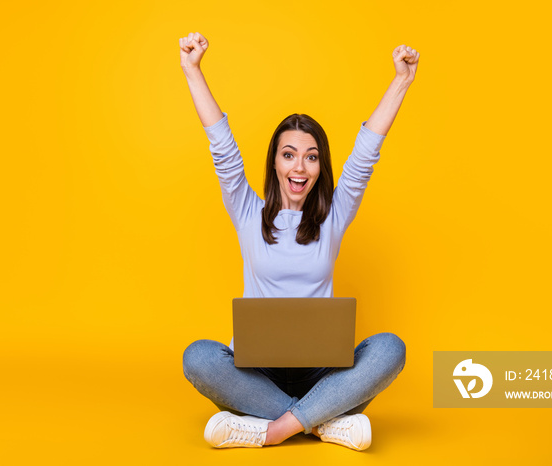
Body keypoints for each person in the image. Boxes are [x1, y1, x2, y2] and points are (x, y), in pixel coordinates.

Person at [179, 31, 419, 451]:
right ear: (274, 161)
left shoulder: (334, 213)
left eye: (311, 156)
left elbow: (366, 154)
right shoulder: (247, 209)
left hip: (322, 371)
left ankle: (271, 430)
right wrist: (192, 69)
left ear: (320, 165)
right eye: (289, 154)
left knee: (390, 349)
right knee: (197, 357)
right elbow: (221, 146)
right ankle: (325, 421)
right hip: (257, 371)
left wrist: (401, 80)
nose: (300, 166)